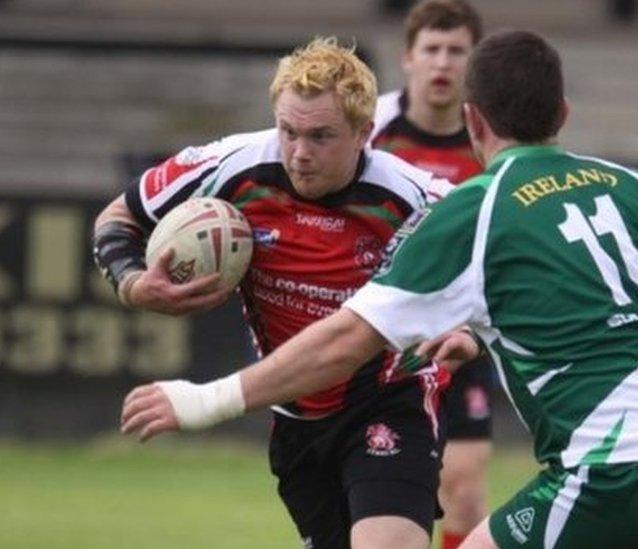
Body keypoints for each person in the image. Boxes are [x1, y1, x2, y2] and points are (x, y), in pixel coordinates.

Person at [120, 30, 638, 548]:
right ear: (562, 117)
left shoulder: (473, 208)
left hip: (613, 466)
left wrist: (204, 397)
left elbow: (346, 338)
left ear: (473, 121)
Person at [94, 37, 465, 549]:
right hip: (295, 416)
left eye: (320, 137)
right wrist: (135, 284)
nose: (298, 152)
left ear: (363, 132)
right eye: (288, 131)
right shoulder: (230, 165)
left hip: (388, 400)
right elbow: (117, 218)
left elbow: (497, 269)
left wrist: (470, 330)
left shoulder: (417, 199)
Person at [368, 2, 489, 547]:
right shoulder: (368, 128)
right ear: (408, 59)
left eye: (456, 50)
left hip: (462, 330)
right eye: (432, 49)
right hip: (382, 332)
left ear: (473, 60)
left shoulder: (490, 136)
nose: (443, 62)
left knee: (461, 485)